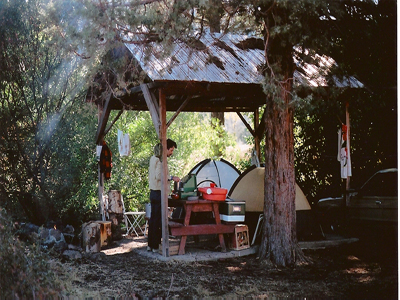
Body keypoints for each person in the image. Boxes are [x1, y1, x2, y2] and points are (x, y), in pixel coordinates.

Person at [147, 138, 180, 252]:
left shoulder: (153, 158)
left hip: (153, 192)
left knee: (153, 219)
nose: (171, 153)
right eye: (171, 150)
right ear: (165, 149)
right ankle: (156, 245)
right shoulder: (160, 160)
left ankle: (150, 244)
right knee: (159, 219)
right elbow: (159, 176)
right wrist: (172, 178)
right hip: (159, 192)